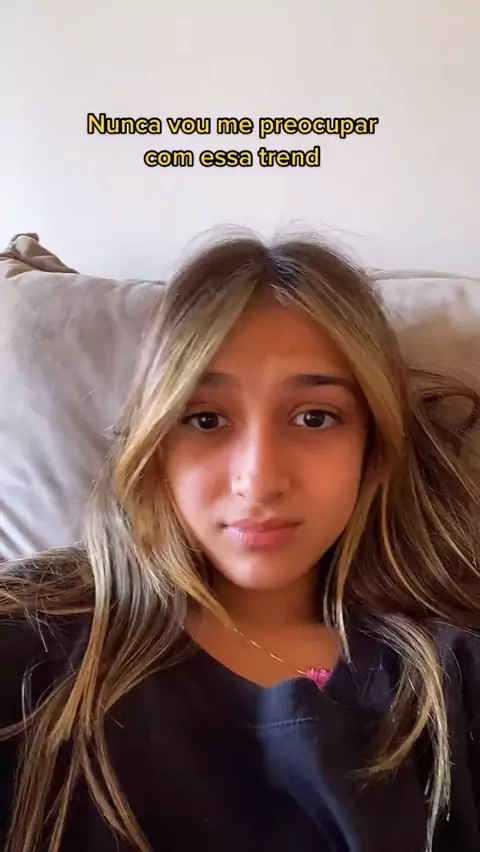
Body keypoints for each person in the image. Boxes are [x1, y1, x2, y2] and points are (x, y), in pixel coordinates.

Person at [1, 233, 480, 852]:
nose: (258, 479)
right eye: (206, 419)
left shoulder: (451, 681)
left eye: (314, 417)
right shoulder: (30, 643)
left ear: (372, 442)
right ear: (154, 445)